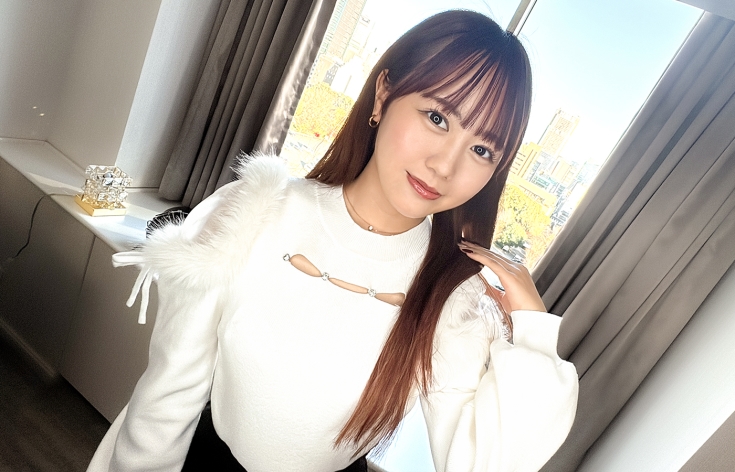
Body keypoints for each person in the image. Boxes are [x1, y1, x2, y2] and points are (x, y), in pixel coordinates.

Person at [87, 9, 577, 472]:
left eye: (482, 149)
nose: (445, 165)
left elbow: (480, 465)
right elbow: (168, 394)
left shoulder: (453, 298)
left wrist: (534, 333)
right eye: (437, 118)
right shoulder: (256, 209)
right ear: (384, 95)